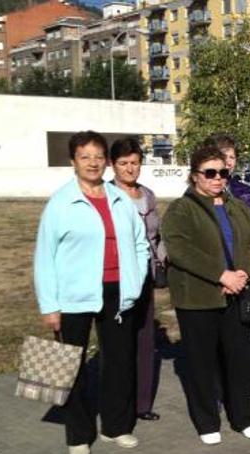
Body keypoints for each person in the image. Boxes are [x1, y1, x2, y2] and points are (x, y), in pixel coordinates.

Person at [33, 130, 149, 454]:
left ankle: (116, 426)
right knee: (70, 366)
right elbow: (45, 256)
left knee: (119, 362)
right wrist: (49, 305)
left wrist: (136, 280)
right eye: (85, 156)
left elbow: (140, 244)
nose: (93, 162)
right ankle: (78, 434)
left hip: (118, 294)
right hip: (73, 296)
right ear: (73, 162)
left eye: (98, 156)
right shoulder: (60, 203)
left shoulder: (119, 200)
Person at [161, 146, 250, 445]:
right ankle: (207, 421)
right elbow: (180, 249)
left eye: (223, 172)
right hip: (198, 299)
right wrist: (221, 274)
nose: (218, 178)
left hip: (236, 295)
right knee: (202, 363)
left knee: (239, 360)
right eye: (210, 173)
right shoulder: (182, 209)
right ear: (195, 176)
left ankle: (244, 417)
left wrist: (244, 272)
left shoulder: (236, 206)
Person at [109, 137, 166, 422]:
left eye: (135, 163)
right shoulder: (106, 196)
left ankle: (142, 404)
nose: (130, 169)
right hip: (116, 277)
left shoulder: (148, 195)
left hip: (145, 275)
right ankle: (120, 402)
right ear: (113, 165)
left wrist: (166, 261)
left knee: (145, 340)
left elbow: (157, 236)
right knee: (120, 342)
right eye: (123, 163)